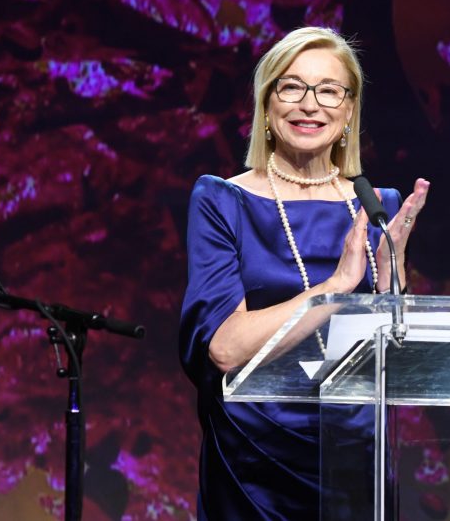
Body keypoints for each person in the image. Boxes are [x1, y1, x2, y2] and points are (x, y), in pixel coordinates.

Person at [179, 26, 430, 519]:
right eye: (291, 87)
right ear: (267, 105)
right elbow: (225, 348)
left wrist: (390, 281)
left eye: (329, 90)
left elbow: (395, 361)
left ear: (350, 109)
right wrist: (335, 289)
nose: (310, 104)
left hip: (355, 456)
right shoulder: (222, 201)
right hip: (255, 462)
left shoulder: (378, 206)